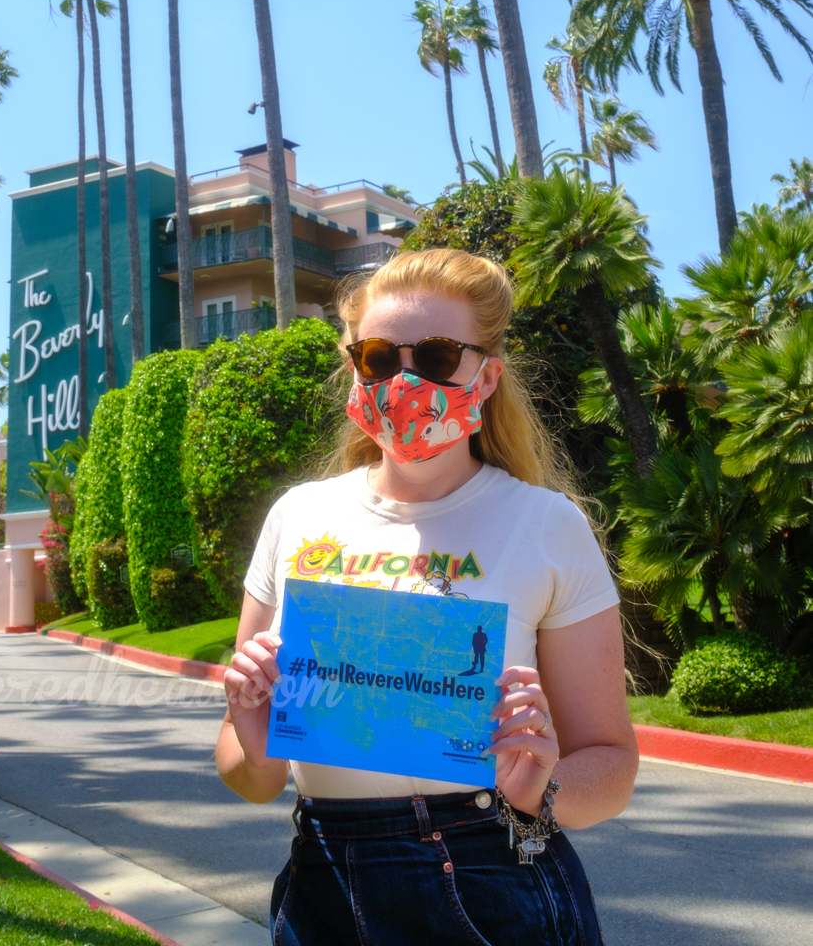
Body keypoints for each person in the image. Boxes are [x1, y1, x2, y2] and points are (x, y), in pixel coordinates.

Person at [215, 248, 637, 946]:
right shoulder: (296, 515)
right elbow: (248, 772)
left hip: (490, 870)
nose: (404, 381)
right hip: (321, 876)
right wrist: (251, 735)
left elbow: (611, 764)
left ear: (487, 374)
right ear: (354, 369)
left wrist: (539, 792)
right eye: (379, 358)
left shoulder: (545, 524)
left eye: (438, 357)